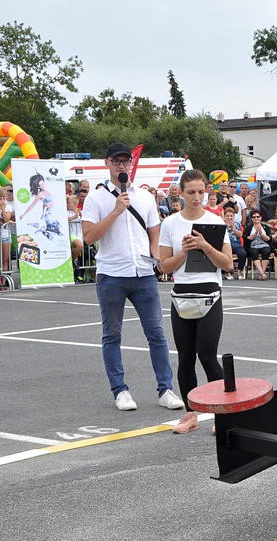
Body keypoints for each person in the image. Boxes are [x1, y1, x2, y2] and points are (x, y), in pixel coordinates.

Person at [80, 142, 186, 412]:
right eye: (116, 161)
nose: (122, 166)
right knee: (112, 334)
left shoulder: (145, 197)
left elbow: (154, 231)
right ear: (107, 163)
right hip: (111, 274)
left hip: (143, 273)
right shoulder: (96, 198)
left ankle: (166, 389)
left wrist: (156, 258)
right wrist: (115, 211)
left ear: (131, 164)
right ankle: (120, 390)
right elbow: (89, 237)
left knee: (156, 334)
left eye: (126, 161)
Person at [158, 169, 232, 435]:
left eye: (201, 192)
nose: (197, 197)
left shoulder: (215, 221)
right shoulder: (170, 223)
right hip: (182, 294)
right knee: (186, 358)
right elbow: (164, 265)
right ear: (181, 192)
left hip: (211, 293)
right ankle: (190, 415)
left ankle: (223, 414)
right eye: (191, 192)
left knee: (207, 356)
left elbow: (227, 264)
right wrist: (185, 251)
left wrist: (205, 246)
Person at [244, 209, 273, 281]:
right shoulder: (249, 227)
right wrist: (255, 233)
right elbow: (247, 239)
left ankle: (261, 274)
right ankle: (262, 273)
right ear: (251, 218)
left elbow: (269, 239)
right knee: (254, 252)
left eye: (257, 216)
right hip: (253, 245)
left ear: (261, 217)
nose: (256, 218)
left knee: (266, 251)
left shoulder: (265, 227)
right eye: (254, 217)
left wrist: (261, 234)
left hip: (264, 244)